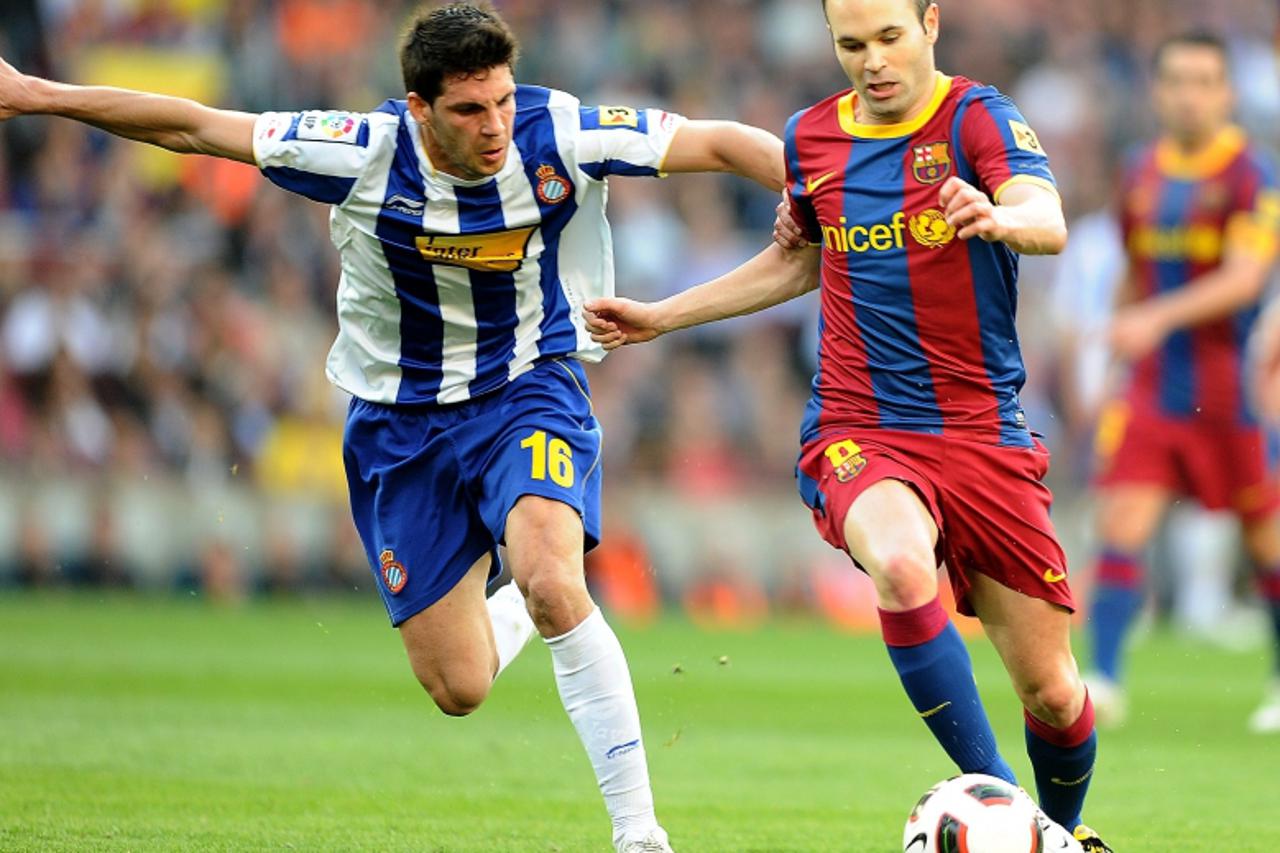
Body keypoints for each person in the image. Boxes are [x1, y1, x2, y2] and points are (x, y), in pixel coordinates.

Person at [0, 4, 789, 850]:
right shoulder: (361, 152)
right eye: (469, 110)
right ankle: (529, 603)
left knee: (555, 579)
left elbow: (717, 142)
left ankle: (638, 832)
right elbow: (193, 126)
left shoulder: (559, 133)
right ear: (420, 108)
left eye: (503, 101)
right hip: (399, 425)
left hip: (526, 389)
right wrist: (36, 94)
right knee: (460, 687)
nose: (495, 127)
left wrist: (817, 193)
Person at [583, 0, 1113, 849]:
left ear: (930, 23)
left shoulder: (977, 117)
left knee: (1052, 692)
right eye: (852, 44)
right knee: (900, 565)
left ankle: (1062, 827)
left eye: (890, 38)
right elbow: (799, 261)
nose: (873, 62)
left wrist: (999, 218)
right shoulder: (812, 138)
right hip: (861, 422)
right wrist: (663, 316)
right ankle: (1014, 812)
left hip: (983, 430)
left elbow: (1045, 218)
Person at [1084, 31, 1280, 734]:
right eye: (1176, 81)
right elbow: (1133, 274)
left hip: (1228, 388)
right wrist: (1108, 362)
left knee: (1267, 540)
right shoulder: (1139, 173)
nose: (1189, 95)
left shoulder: (1252, 177)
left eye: (1203, 81)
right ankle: (1103, 681)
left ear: (1226, 93)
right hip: (1150, 385)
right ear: (1158, 91)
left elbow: (1245, 279)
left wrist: (1155, 318)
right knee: (1121, 521)